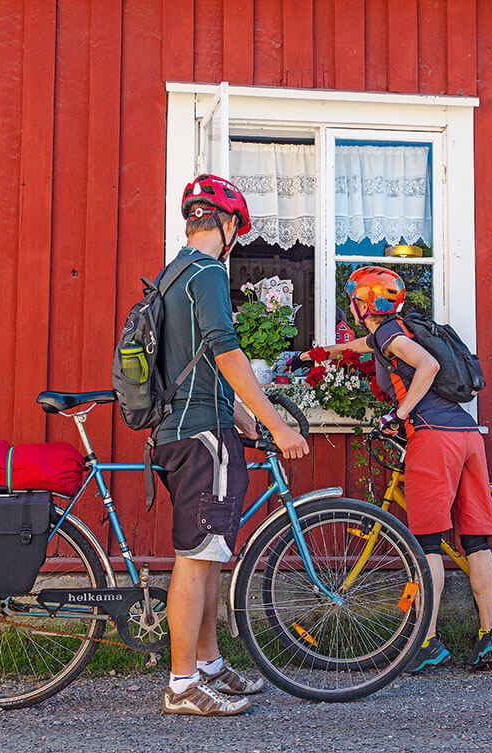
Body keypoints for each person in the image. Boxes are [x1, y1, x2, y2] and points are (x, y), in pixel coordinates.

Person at [289, 265, 492, 672]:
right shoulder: (390, 331)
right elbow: (356, 348)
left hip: (433, 435)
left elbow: (427, 366)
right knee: (476, 541)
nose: (350, 304)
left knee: (428, 544)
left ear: (362, 303)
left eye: (353, 297)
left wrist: (399, 413)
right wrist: (310, 356)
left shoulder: (390, 334)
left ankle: (428, 642)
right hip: (467, 435)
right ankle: (486, 637)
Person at [154, 174, 309, 716]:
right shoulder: (208, 273)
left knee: (211, 553)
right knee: (195, 558)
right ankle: (181, 686)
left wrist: (243, 416)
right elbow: (227, 355)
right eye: (234, 231)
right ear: (226, 227)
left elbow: (200, 368)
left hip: (188, 427)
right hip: (201, 437)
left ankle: (209, 666)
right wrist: (279, 424)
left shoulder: (173, 276)